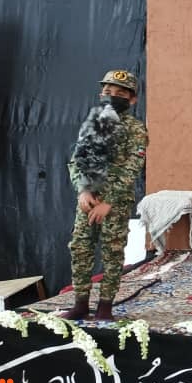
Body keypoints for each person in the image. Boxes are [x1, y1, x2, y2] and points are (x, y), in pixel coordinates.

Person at [61, 70, 148, 321]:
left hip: (115, 204)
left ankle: (105, 307)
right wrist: (83, 190)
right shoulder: (93, 122)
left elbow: (132, 168)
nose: (112, 96)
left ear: (132, 99)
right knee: (80, 248)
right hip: (88, 201)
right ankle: (80, 304)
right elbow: (76, 160)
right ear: (101, 94)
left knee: (112, 253)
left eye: (120, 93)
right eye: (108, 91)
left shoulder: (136, 129)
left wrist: (109, 202)